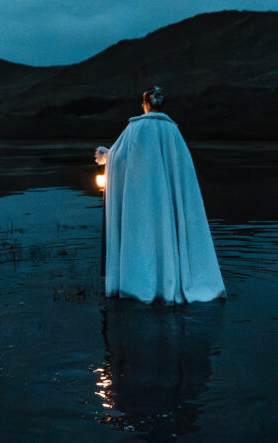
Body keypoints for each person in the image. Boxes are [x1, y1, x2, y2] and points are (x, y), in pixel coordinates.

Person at [95, 87, 226, 303]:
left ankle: (142, 284)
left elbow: (119, 158)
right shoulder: (173, 131)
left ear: (145, 103)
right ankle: (172, 280)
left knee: (145, 235)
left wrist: (106, 155)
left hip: (142, 200)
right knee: (167, 231)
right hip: (167, 198)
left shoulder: (136, 128)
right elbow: (182, 170)